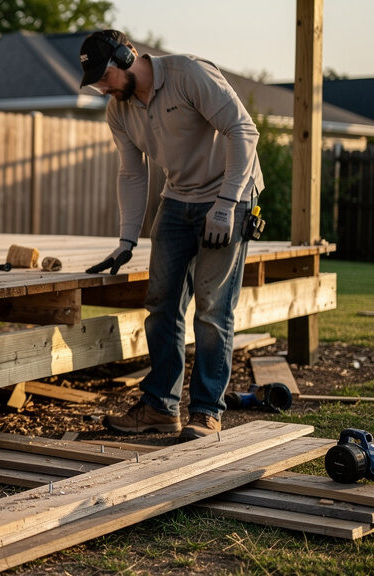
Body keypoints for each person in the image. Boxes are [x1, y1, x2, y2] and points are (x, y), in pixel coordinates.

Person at [78, 30, 263, 441]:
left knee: (213, 307)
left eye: (104, 74)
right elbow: (132, 172)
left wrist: (226, 203)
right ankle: (159, 407)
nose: (102, 86)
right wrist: (127, 240)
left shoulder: (188, 74)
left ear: (127, 56)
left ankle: (206, 411)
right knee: (161, 303)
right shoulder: (119, 110)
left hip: (230, 194)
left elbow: (243, 132)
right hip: (178, 199)